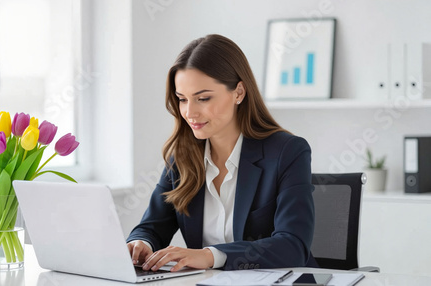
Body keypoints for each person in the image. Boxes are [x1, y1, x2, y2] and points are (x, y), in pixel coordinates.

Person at [126, 34, 316, 272]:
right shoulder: (183, 156)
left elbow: (292, 246)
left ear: (238, 92)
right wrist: (140, 243)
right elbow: (152, 226)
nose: (189, 112)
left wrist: (210, 256)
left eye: (203, 98)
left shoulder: (288, 152)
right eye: (182, 99)